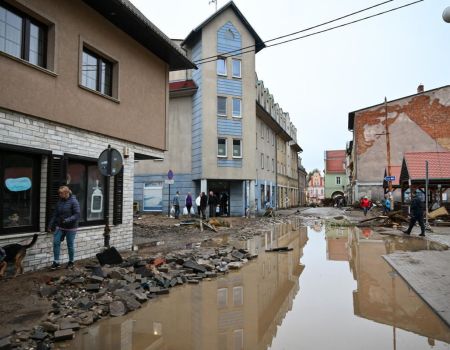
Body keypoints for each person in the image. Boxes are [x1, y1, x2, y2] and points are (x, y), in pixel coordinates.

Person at [48, 185, 80, 269]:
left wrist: (67, 220)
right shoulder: (60, 202)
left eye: (61, 193)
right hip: (60, 226)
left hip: (71, 227)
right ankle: (56, 262)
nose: (59, 194)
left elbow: (77, 214)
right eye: (59, 193)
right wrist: (50, 225)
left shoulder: (74, 201)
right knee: (56, 242)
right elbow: (55, 214)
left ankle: (71, 262)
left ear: (66, 193)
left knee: (70, 244)